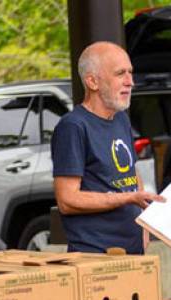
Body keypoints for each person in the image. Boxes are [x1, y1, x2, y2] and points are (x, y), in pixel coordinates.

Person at [51, 41, 164, 254]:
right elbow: (67, 199)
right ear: (92, 81)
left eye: (131, 72)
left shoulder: (121, 119)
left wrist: (144, 220)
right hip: (96, 256)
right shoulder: (73, 126)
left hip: (133, 249)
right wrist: (129, 198)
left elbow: (131, 170)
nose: (130, 82)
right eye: (120, 73)